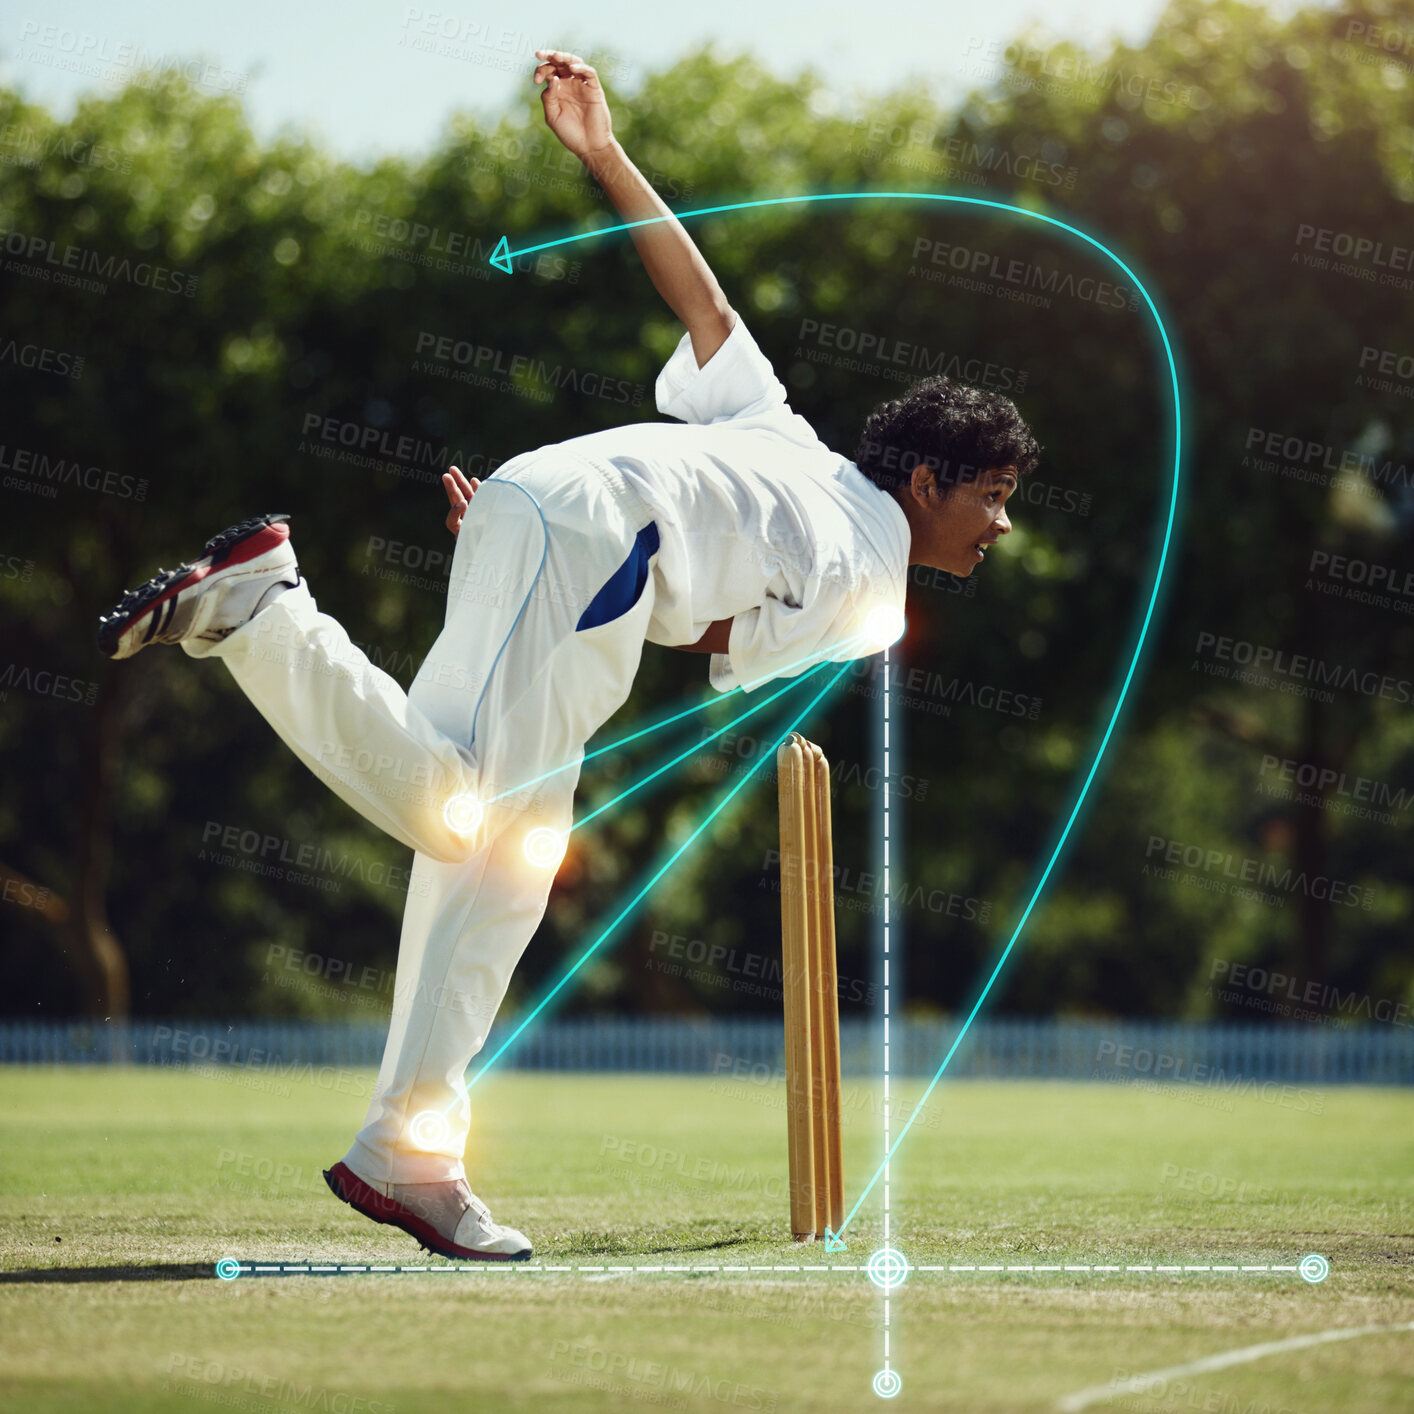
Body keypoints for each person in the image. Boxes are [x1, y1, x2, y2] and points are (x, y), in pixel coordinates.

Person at [96, 50, 1040, 1261]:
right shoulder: (872, 586)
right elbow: (704, 633)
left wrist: (602, 153)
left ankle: (408, 1147)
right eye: (995, 496)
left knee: (464, 829)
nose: (1001, 526)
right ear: (927, 481)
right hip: (597, 549)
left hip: (539, 496)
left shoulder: (788, 435)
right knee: (498, 849)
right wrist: (560, 562)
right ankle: (264, 611)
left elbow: (701, 301)